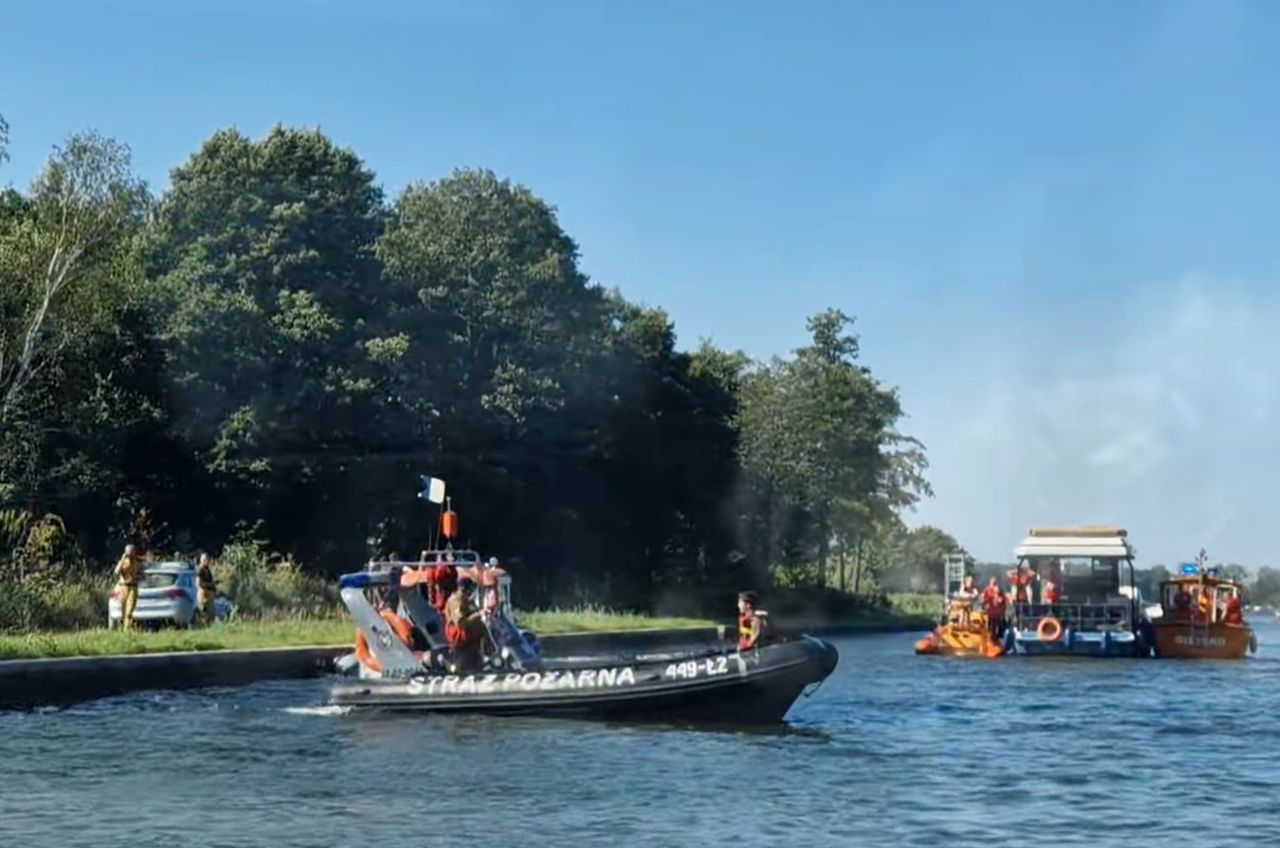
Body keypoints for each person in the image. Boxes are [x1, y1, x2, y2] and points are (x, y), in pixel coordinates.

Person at [445, 576, 487, 672]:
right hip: (462, 642)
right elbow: (460, 623)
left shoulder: (467, 600)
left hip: (472, 641)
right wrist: (478, 614)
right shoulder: (456, 601)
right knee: (465, 666)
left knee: (477, 665)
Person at [114, 544, 144, 630]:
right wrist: (123, 560)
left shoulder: (138, 563)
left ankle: (127, 629)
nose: (131, 554)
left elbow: (142, 575)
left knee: (129, 610)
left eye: (132, 552)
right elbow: (116, 572)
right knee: (122, 608)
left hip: (133, 586)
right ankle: (122, 626)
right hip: (123, 586)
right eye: (129, 552)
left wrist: (138, 576)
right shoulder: (123, 562)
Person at [196, 553, 218, 626]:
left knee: (211, 615)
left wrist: (214, 587)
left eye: (208, 559)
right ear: (202, 560)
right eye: (205, 559)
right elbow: (200, 584)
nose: (207, 561)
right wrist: (212, 584)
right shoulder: (200, 570)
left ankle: (208, 628)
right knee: (204, 614)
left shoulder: (207, 569)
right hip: (203, 595)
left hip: (209, 595)